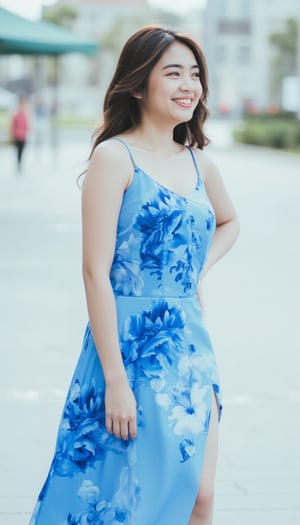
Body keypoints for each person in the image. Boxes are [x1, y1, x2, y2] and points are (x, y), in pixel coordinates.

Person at [29, 25, 239, 525]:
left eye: (195, 74)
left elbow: (230, 222)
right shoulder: (113, 157)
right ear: (139, 84)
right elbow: (94, 273)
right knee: (124, 500)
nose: (189, 84)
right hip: (128, 346)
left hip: (190, 345)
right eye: (174, 73)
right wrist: (116, 380)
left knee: (199, 497)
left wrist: (191, 269)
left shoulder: (199, 162)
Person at [10, 95, 29, 171]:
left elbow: (27, 124)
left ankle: (20, 163)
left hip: (23, 135)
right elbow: (12, 124)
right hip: (17, 135)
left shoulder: (26, 112)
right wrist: (12, 134)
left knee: (22, 150)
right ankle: (19, 164)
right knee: (18, 151)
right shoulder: (15, 112)